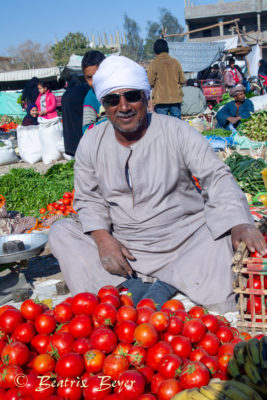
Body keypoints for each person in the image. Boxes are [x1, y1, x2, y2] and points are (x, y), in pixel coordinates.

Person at [49, 55, 267, 313]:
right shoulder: (91, 142)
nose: (124, 106)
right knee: (61, 232)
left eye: (131, 96)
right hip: (126, 246)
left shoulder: (176, 131)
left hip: (186, 242)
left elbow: (215, 176)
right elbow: (88, 198)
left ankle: (164, 284)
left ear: (145, 97)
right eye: (112, 100)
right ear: (104, 105)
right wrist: (101, 238)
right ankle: (130, 286)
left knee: (222, 230)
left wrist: (239, 222)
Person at [147, 39, 185, 118]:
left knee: (163, 124)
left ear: (155, 51)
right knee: (177, 124)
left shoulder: (154, 63)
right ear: (167, 49)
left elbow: (150, 82)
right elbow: (182, 80)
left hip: (161, 101)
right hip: (176, 99)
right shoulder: (175, 62)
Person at [61, 76, 89, 157]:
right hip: (78, 114)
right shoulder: (84, 88)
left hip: (69, 142)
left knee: (70, 127)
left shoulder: (66, 93)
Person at [82, 51, 105, 133]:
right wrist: (108, 122)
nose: (94, 81)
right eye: (89, 77)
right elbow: (86, 130)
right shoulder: (91, 98)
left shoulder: (118, 88)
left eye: (97, 75)